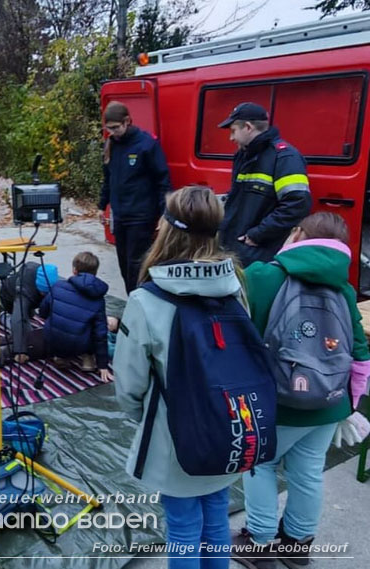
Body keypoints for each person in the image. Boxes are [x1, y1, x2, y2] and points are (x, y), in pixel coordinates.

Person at [114, 185, 245, 568]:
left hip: (175, 434)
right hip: (228, 426)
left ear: (168, 229)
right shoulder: (236, 285)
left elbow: (129, 386)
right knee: (216, 513)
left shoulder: (146, 300)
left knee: (184, 524)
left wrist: (148, 421)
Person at [232, 212, 370, 569]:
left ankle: (258, 544)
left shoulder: (263, 276)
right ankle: (296, 544)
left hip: (274, 401)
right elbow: (359, 353)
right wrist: (349, 405)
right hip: (328, 402)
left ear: (297, 234)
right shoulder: (344, 289)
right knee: (307, 470)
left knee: (260, 465)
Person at [218, 102, 312, 267]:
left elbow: (297, 204)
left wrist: (257, 235)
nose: (231, 138)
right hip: (238, 247)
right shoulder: (244, 155)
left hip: (259, 251)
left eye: (233, 131)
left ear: (248, 127)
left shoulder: (285, 157)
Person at [98, 101, 171, 294]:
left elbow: (162, 179)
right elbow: (108, 179)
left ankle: (140, 299)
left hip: (141, 215)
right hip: (120, 215)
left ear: (127, 121)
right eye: (109, 128)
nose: (112, 132)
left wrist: (165, 212)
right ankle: (132, 299)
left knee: (136, 265)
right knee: (123, 264)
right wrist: (101, 205)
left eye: (115, 127)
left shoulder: (146, 144)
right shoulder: (111, 145)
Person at [38, 252, 112, 382]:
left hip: (52, 340)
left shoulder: (57, 286)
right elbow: (100, 334)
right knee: (94, 326)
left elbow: (43, 312)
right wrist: (103, 365)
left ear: (74, 270)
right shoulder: (98, 299)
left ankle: (60, 356)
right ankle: (88, 359)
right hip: (79, 344)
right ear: (95, 272)